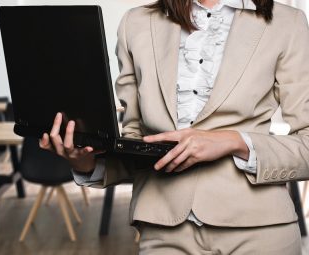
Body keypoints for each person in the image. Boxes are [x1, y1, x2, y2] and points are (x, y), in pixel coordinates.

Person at [40, 0, 309, 254]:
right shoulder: (136, 23)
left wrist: (234, 141)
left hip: (260, 229)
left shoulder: (288, 23)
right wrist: (86, 162)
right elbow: (136, 143)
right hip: (163, 228)